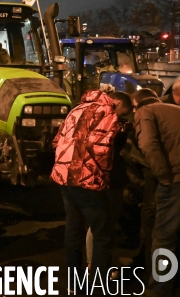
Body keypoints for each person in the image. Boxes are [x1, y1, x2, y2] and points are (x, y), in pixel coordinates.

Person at [50, 90, 132, 288]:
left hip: (64, 176)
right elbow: (102, 149)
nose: (122, 117)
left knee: (73, 228)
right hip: (88, 180)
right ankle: (98, 283)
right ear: (117, 103)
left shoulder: (76, 109)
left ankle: (73, 281)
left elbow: (56, 141)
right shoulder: (107, 113)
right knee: (102, 233)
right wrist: (103, 174)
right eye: (124, 113)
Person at [132, 88, 180, 297]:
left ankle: (160, 289)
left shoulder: (146, 112)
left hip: (175, 181)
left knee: (164, 236)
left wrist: (163, 176)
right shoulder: (173, 109)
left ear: (136, 105)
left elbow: (148, 144)